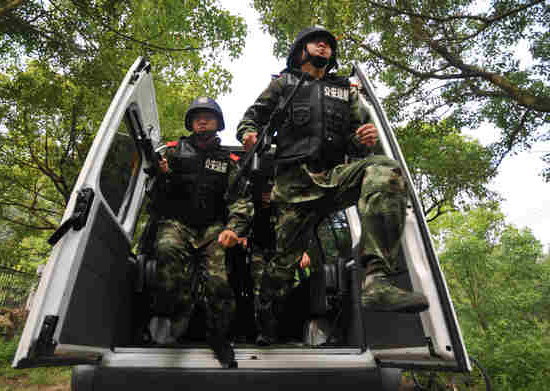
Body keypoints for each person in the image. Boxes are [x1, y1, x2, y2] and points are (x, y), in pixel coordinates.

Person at [236, 26, 429, 345]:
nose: (324, 45)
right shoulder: (283, 84)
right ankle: (265, 320)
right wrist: (248, 134)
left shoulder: (347, 91)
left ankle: (377, 280)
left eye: (328, 44)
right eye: (316, 42)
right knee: (281, 268)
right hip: (294, 188)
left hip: (334, 179)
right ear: (301, 51)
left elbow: (360, 139)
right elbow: (251, 118)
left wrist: (364, 138)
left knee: (386, 170)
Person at [150, 96, 253, 368]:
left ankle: (218, 337)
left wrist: (234, 228)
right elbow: (155, 193)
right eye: (197, 116)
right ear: (191, 123)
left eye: (209, 116)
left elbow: (240, 200)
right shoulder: (171, 152)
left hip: (212, 229)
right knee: (166, 252)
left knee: (219, 284)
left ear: (218, 123)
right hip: (177, 223)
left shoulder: (229, 161)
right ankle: (176, 319)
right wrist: (160, 175)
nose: (203, 120)